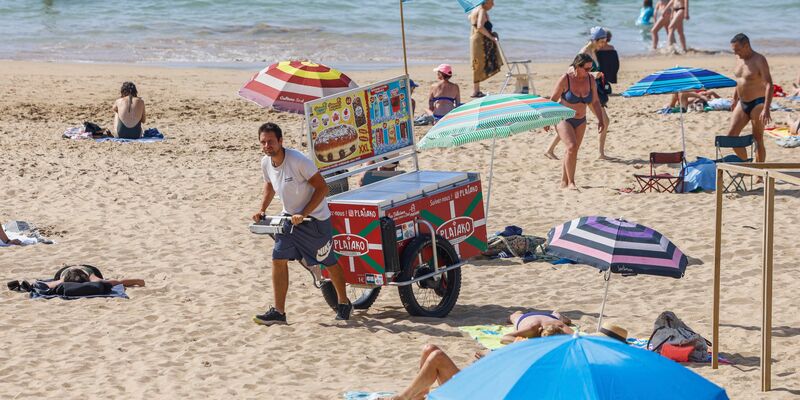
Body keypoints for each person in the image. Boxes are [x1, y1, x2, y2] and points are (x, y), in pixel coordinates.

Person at [251, 122, 351, 324]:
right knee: (277, 260)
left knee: (328, 261)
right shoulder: (265, 162)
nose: (267, 145)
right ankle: (279, 312)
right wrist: (261, 209)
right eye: (263, 142)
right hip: (289, 219)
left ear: (280, 141)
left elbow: (322, 188)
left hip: (315, 220)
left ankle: (343, 302)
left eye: (270, 141)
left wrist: (304, 213)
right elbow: (269, 184)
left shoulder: (298, 161)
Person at [385, 327, 568, 400]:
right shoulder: (524, 350)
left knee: (437, 357)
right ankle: (420, 393)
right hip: (476, 383)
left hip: (479, 393)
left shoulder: (539, 368)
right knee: (429, 348)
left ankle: (402, 398)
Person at [546, 28, 611, 161]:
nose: (604, 44)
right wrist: (593, 74)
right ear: (595, 39)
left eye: (606, 41)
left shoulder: (592, 50)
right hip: (580, 93)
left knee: (570, 123)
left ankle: (549, 149)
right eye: (602, 41)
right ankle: (601, 153)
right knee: (604, 120)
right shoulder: (584, 52)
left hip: (587, 91)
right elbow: (571, 70)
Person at [544, 54, 605, 190]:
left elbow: (595, 102)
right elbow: (553, 100)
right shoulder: (565, 79)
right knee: (571, 146)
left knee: (573, 150)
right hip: (563, 118)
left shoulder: (590, 80)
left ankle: (564, 181)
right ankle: (572, 182)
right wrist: (547, 119)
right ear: (578, 66)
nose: (589, 71)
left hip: (581, 119)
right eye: (587, 68)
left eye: (591, 68)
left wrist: (601, 120)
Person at [727, 33, 773, 164]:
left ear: (746, 46)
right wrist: (734, 99)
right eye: (733, 50)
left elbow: (769, 84)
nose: (735, 53)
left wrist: (766, 108)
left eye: (737, 49)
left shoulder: (759, 60)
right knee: (731, 136)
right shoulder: (738, 58)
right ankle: (747, 164)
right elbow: (739, 80)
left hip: (758, 103)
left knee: (758, 138)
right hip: (742, 103)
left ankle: (759, 171)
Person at [468, 0, 503, 98]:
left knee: (476, 63)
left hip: (474, 38)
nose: (493, 5)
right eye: (492, 2)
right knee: (479, 64)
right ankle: (475, 91)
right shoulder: (482, 10)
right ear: (486, 2)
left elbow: (472, 21)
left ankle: (476, 90)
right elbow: (480, 27)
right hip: (480, 40)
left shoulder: (475, 9)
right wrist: (491, 37)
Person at [502, 310, 574, 344]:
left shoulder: (559, 325)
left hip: (550, 317)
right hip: (525, 318)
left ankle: (556, 313)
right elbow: (505, 338)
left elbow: (577, 337)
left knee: (561, 318)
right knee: (512, 317)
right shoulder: (532, 328)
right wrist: (525, 342)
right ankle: (519, 312)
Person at [45, 266, 145, 289]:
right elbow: (46, 285)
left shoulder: (90, 277)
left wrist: (137, 281)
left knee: (104, 282)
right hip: (66, 270)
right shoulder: (64, 279)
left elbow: (117, 282)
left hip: (87, 269)